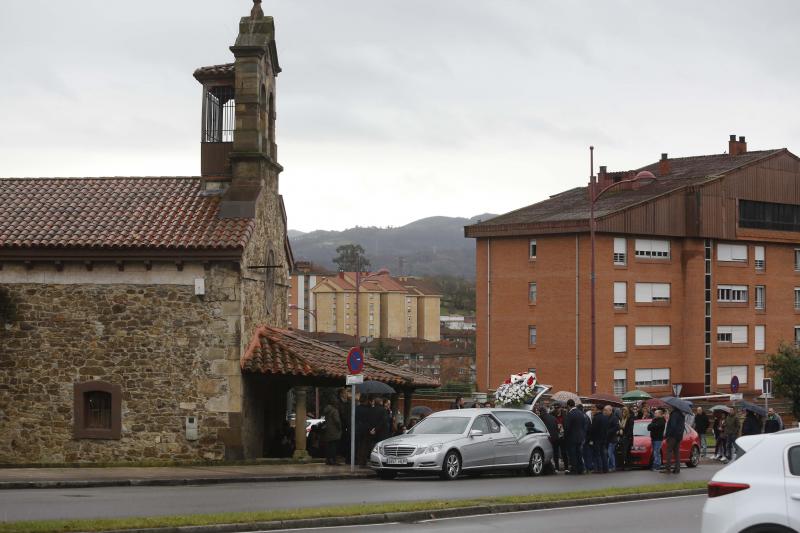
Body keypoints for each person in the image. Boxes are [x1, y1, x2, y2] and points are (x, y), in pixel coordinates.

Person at [564, 399, 586, 475]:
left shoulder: (570, 414)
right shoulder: (581, 413)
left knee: (572, 454)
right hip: (580, 437)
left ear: (568, 405)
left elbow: (567, 427)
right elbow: (584, 425)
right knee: (579, 453)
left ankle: (574, 469)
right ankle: (581, 469)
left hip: (571, 438)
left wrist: (565, 436)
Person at [663, 406, 685, 474]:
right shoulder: (681, 415)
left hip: (672, 436)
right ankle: (677, 469)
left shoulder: (674, 414)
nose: (670, 407)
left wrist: (668, 435)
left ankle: (668, 469)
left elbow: (673, 425)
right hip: (679, 436)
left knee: (669, 451)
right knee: (676, 453)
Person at [589, 404, 609, 473]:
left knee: (597, 454)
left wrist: (591, 439)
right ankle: (605, 468)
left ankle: (599, 469)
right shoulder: (605, 417)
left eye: (595, 408)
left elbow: (593, 429)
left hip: (597, 439)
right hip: (604, 438)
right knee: (603, 454)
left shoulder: (596, 417)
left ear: (597, 409)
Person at [322, 400, 342, 465]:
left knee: (329, 445)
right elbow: (337, 421)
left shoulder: (327, 411)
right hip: (335, 431)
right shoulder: (334, 411)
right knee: (334, 446)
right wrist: (340, 427)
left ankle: (328, 459)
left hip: (328, 430)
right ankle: (333, 460)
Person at [540, 406, 560, 471]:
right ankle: (557, 467)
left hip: (548, 438)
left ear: (541, 412)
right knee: (556, 453)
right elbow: (557, 428)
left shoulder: (541, 418)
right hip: (556, 437)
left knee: (547, 452)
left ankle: (549, 468)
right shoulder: (553, 418)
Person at [605, 405, 620, 472]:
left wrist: (608, 432)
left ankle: (610, 466)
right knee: (611, 453)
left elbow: (616, 427)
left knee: (609, 453)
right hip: (608, 438)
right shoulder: (606, 417)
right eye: (604, 410)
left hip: (612, 438)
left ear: (610, 410)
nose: (605, 412)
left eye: (606, 410)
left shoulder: (614, 418)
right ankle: (613, 466)